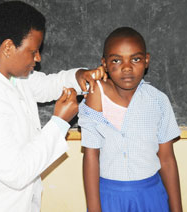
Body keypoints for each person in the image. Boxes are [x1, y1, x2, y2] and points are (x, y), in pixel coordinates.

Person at [0, 1, 106, 212]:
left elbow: (48, 84)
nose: (38, 58)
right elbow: (17, 172)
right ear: (8, 48)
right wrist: (59, 122)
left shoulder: (9, 75)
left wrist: (79, 77)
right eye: (34, 51)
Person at [78, 27, 183, 212]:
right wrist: (94, 208)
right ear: (104, 64)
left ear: (146, 60)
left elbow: (167, 159)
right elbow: (91, 156)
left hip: (151, 196)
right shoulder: (96, 94)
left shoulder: (158, 100)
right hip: (109, 196)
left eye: (135, 59)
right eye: (116, 60)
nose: (127, 67)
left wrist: (177, 209)